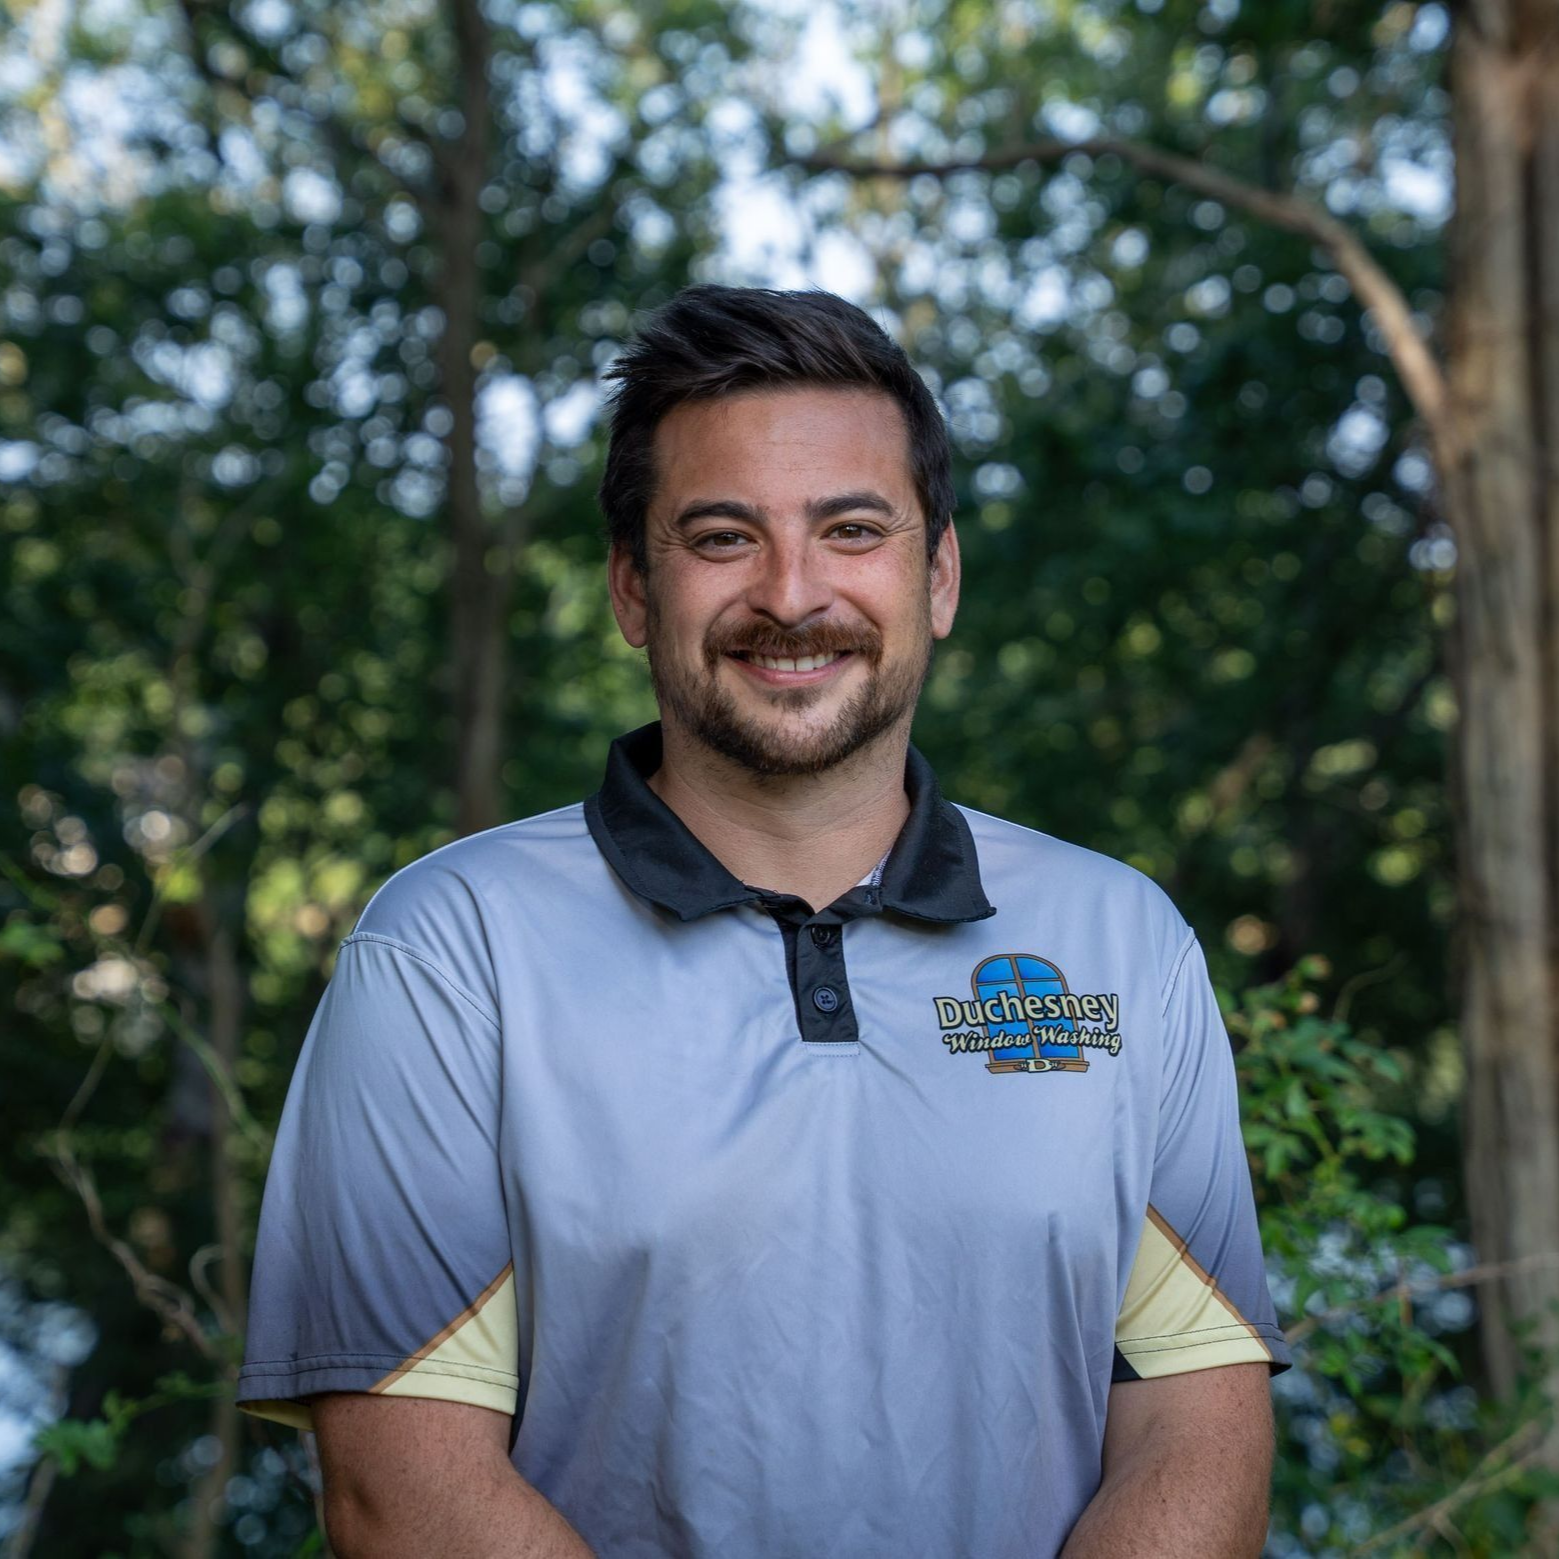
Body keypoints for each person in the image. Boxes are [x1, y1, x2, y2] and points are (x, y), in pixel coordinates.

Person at [236, 284, 1292, 1558]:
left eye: (850, 528)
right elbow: (403, 1498)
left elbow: (1200, 1443)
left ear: (937, 574)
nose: (792, 594)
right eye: (723, 537)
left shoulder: (1122, 944)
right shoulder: (450, 954)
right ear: (633, 588)